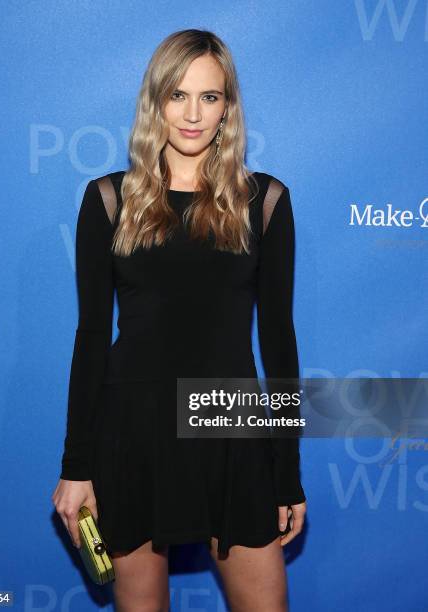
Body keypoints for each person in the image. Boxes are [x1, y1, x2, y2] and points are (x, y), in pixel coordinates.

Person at [52, 28, 306, 611]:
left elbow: (279, 345)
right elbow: (91, 339)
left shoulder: (263, 201)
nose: (193, 114)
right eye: (178, 95)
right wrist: (76, 468)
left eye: (210, 97)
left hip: (229, 419)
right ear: (155, 102)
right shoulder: (109, 200)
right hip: (133, 428)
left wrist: (286, 473)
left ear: (228, 108)